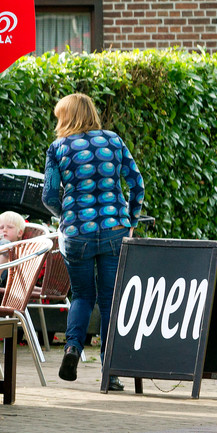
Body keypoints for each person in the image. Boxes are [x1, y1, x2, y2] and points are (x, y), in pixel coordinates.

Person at [44, 92, 144, 390]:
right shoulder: (113, 140)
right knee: (110, 299)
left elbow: (49, 195)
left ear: (67, 117)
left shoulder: (58, 148)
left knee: (83, 296)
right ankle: (110, 372)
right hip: (114, 230)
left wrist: (67, 215)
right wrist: (132, 221)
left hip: (77, 234)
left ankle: (73, 348)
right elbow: (136, 183)